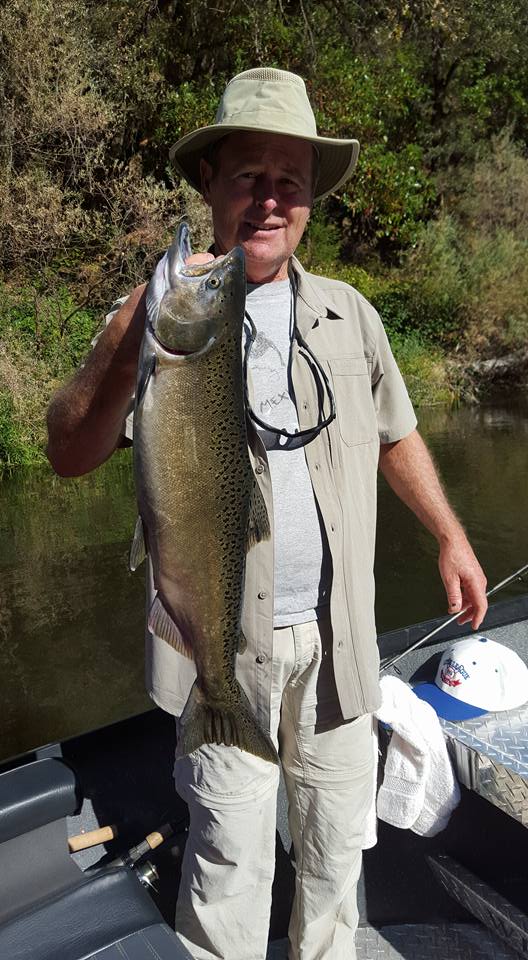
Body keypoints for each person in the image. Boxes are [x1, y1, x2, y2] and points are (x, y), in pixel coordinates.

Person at [46, 68, 487, 960]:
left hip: (340, 646)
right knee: (226, 869)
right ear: (210, 184)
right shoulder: (163, 319)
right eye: (249, 175)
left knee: (335, 864)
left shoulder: (352, 317)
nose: (270, 199)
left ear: (312, 198)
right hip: (219, 648)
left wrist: (450, 536)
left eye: (290, 180)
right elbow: (68, 451)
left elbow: (395, 433)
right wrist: (132, 336)